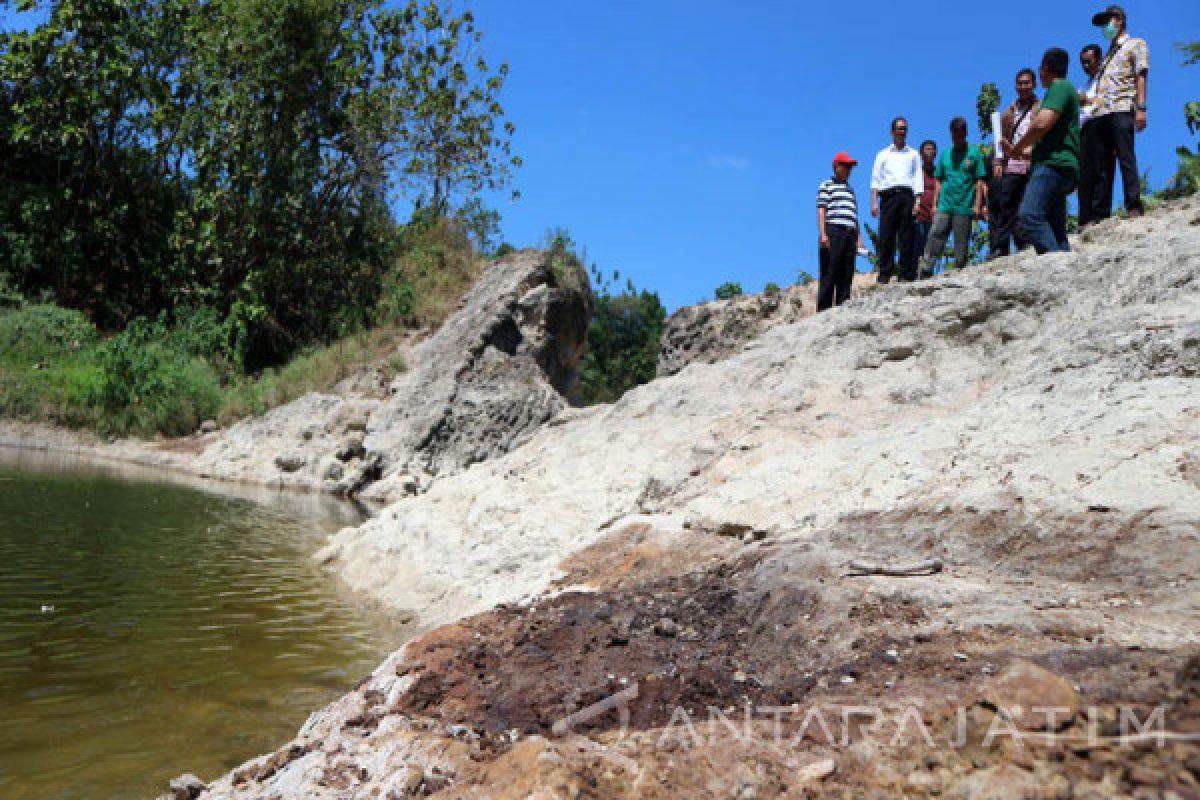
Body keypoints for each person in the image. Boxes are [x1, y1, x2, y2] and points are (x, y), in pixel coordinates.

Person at [1011, 47, 1081, 254]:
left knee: (1029, 216)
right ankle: (1066, 269)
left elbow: (1041, 125)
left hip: (1053, 165)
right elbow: (1043, 143)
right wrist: (1018, 153)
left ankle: (1055, 265)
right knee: (1056, 229)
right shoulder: (1065, 89)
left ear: (1046, 69)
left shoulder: (1059, 88)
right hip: (1056, 164)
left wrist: (1018, 145)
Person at [1087, 5, 1149, 220]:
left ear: (1120, 20)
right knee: (1102, 165)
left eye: (1107, 22)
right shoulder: (1106, 56)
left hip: (1123, 109)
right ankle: (1100, 213)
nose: (1105, 27)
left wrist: (1141, 108)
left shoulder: (1135, 44)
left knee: (1126, 158)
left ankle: (1133, 205)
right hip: (1102, 113)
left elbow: (1141, 76)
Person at [920, 118, 986, 276]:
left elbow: (979, 181)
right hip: (945, 204)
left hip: (964, 206)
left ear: (966, 134)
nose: (957, 138)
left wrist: (978, 205)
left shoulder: (974, 153)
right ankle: (926, 270)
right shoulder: (945, 155)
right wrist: (935, 204)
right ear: (951, 134)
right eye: (954, 135)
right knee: (935, 235)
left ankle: (959, 272)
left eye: (960, 135)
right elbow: (938, 180)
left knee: (961, 243)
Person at [992, 69, 1041, 256]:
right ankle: (1000, 246)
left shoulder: (1041, 107)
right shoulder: (1009, 112)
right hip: (1013, 164)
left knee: (1028, 204)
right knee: (1007, 205)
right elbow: (1000, 138)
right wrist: (998, 162)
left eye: (1027, 83)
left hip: (1033, 162)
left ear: (1034, 84)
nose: (1023, 86)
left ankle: (1025, 242)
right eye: (1020, 83)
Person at [870, 118, 923, 283]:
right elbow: (876, 179)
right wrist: (873, 202)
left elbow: (917, 178)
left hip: (907, 196)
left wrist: (918, 201)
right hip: (888, 197)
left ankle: (906, 274)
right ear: (892, 131)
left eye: (905, 128)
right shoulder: (883, 154)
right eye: (899, 128)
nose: (902, 131)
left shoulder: (913, 154)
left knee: (907, 236)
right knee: (886, 236)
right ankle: (885, 273)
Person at [816, 152, 867, 311]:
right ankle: (823, 311)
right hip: (833, 231)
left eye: (850, 167)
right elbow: (821, 210)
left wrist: (859, 240)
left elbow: (854, 215)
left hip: (849, 234)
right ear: (836, 166)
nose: (849, 169)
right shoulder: (826, 185)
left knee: (846, 274)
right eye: (846, 166)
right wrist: (823, 234)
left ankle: (842, 310)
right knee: (829, 273)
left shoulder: (850, 189)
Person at [1078, 43, 1107, 227]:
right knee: (1084, 175)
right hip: (1084, 129)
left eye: (1088, 61)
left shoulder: (1105, 80)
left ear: (1099, 60)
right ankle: (1085, 217)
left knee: (1101, 171)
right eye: (1082, 63)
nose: (1085, 66)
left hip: (1100, 124)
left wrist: (1087, 100)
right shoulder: (1084, 85)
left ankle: (1099, 214)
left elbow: (1105, 101)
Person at [914, 140, 939, 265]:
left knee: (931, 246)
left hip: (934, 213)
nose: (929, 152)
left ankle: (927, 272)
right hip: (919, 213)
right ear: (921, 153)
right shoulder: (917, 172)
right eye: (926, 149)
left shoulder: (939, 172)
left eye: (931, 149)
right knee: (917, 244)